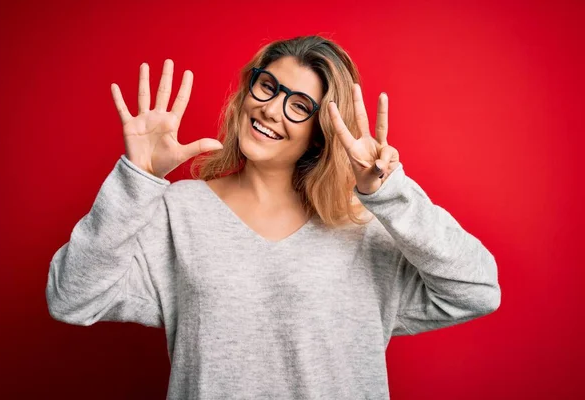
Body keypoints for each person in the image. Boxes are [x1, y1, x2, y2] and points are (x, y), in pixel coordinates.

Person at [46, 35, 501, 399]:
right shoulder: (179, 211)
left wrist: (388, 193)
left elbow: (477, 290)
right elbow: (71, 298)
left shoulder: (364, 225)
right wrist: (136, 180)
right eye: (268, 86)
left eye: (299, 105)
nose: (269, 109)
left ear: (322, 132)